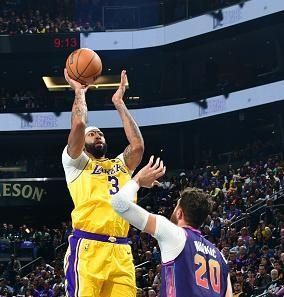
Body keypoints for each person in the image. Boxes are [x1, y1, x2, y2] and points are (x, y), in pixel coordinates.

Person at [62, 68, 144, 297]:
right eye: (93, 134)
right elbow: (78, 126)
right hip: (88, 246)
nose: (98, 135)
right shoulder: (76, 163)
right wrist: (79, 92)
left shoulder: (120, 165)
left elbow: (137, 147)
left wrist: (119, 103)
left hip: (121, 250)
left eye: (101, 134)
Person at [110, 156, 233, 297]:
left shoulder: (175, 234)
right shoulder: (220, 257)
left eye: (175, 207)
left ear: (180, 213)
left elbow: (118, 203)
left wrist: (138, 180)